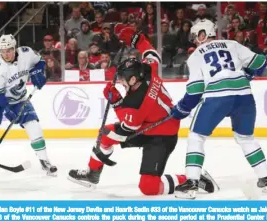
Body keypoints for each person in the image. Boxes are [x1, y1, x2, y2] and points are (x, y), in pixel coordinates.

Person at [67, 31, 216, 196]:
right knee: (105, 135)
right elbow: (152, 55)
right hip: (151, 123)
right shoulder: (147, 70)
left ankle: (191, 179)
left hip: (162, 135)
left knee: (149, 187)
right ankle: (92, 174)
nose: (121, 82)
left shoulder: (136, 102)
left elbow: (128, 126)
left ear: (132, 80)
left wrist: (116, 101)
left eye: (123, 80)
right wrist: (139, 39)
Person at [171, 21, 267, 199]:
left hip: (217, 97)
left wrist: (180, 109)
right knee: (246, 138)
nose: (195, 41)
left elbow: (195, 92)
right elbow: (259, 64)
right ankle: (266, 180)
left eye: (196, 37)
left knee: (196, 136)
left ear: (203, 35)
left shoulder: (196, 55)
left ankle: (192, 184)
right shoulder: (232, 44)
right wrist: (253, 68)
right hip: (244, 96)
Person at [0, 34, 57, 177]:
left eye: (9, 50)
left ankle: (44, 160)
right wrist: (7, 109)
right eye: (2, 51)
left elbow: (39, 60)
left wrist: (38, 71)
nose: (6, 54)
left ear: (14, 47)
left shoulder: (26, 53)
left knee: (34, 126)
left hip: (19, 99)